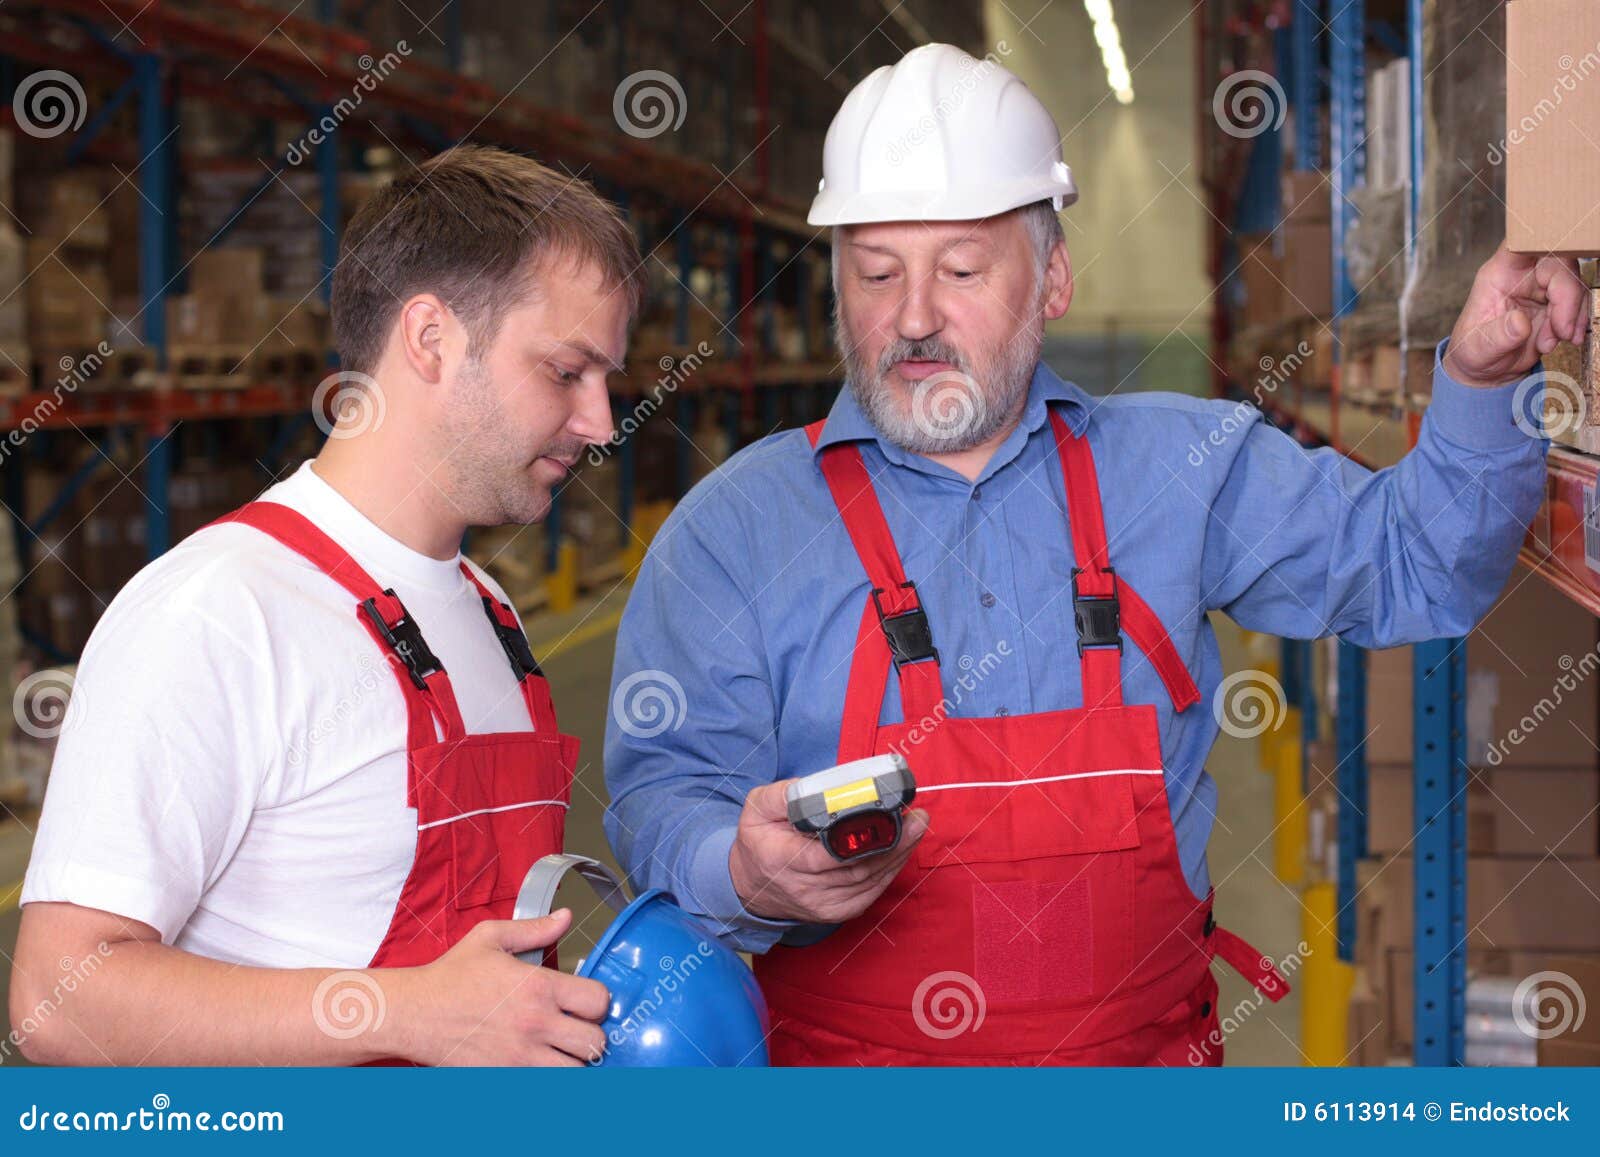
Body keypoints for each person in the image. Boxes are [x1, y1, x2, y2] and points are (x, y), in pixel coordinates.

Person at [603, 44, 1587, 1065]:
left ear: (1054, 278)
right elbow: (659, 791)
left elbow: (1422, 565)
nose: (912, 317)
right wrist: (734, 868)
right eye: (876, 271)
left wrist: (1480, 377)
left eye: (962, 269)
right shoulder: (735, 528)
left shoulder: (1184, 468)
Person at [12, 145, 643, 1066]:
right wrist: (408, 1014)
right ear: (431, 341)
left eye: (606, 378)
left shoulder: (489, 610)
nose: (599, 420)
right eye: (565, 372)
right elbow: (57, 1002)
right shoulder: (220, 611)